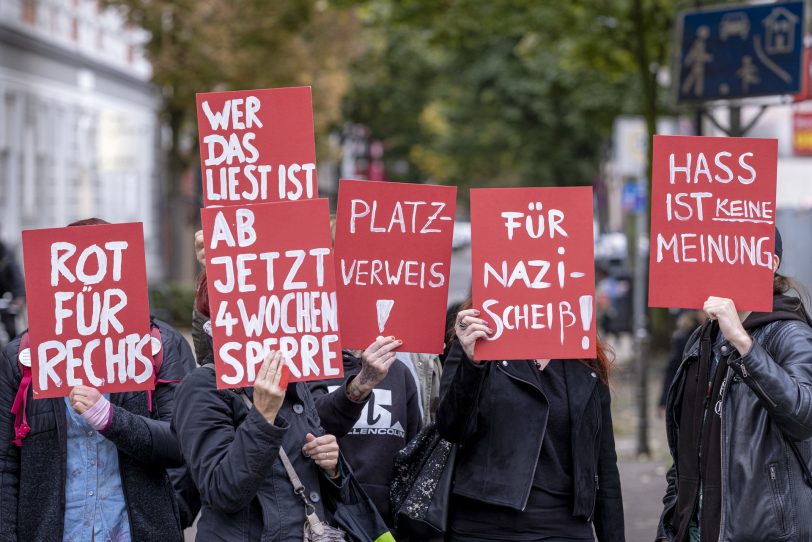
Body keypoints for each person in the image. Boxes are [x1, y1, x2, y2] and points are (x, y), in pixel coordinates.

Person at [0, 217, 194, 541]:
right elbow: (6, 468)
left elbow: (182, 446)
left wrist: (110, 419)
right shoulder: (21, 359)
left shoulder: (159, 346)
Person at [173, 271, 398, 541]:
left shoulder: (292, 376)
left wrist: (331, 467)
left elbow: (311, 440)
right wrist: (263, 415)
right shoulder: (202, 385)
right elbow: (222, 491)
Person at [657, 230, 812, 542]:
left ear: (770, 263)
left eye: (736, 255)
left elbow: (804, 416)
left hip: (762, 530)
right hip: (698, 528)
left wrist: (744, 344)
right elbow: (687, 444)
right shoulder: (702, 340)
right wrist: (672, 520)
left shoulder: (789, 333)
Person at [437, 307, 625, 542]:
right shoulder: (480, 339)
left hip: (565, 527)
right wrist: (472, 364)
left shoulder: (584, 357)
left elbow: (604, 463)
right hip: (485, 527)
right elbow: (452, 429)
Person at [317, 343, 422, 528]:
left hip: (386, 520)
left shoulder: (399, 371)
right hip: (324, 518)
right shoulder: (314, 367)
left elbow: (414, 450)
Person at [658, 310, 705, 417]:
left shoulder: (725, 334)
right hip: (690, 398)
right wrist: (665, 400)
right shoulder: (685, 337)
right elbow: (673, 369)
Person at [0, 239, 25, 343]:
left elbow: (17, 278)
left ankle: (12, 345)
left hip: (7, 296)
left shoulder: (6, 256)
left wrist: (19, 296)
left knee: (10, 326)